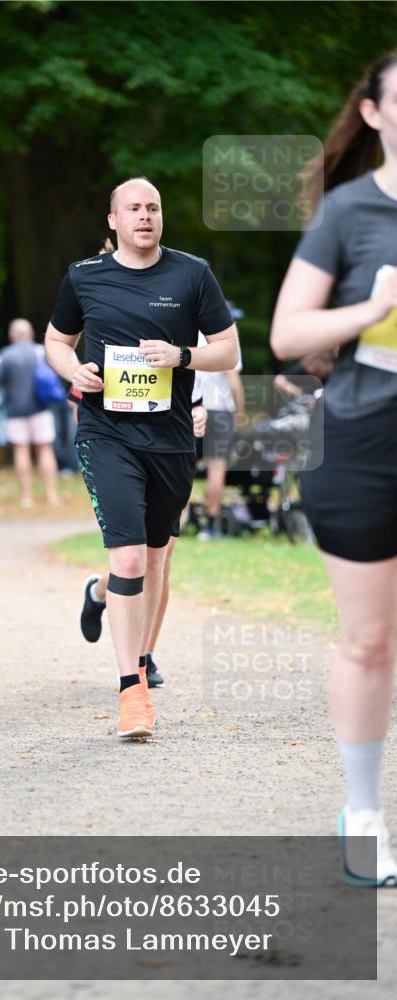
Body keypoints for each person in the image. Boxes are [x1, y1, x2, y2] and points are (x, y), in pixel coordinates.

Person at [45, 177, 239, 739]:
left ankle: (101, 597)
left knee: (156, 559)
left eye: (153, 207)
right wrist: (71, 370)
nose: (145, 216)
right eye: (133, 208)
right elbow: (57, 341)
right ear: (113, 221)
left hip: (172, 437)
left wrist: (183, 355)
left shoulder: (191, 273)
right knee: (129, 557)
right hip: (106, 433)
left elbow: (228, 349)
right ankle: (132, 690)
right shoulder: (85, 276)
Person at [271, 51, 397, 886]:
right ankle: (361, 814)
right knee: (370, 638)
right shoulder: (349, 212)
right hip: (365, 442)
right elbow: (286, 336)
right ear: (377, 115)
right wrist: (373, 308)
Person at [80, 399, 207, 687]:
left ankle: (145, 652)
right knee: (132, 559)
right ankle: (101, 595)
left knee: (156, 559)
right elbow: (80, 397)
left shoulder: (193, 353)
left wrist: (200, 412)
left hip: (171, 448)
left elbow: (204, 392)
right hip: (119, 447)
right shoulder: (112, 352)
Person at [0, 318, 61, 508]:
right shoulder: (41, 352)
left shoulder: (5, 356)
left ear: (11, 336)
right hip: (41, 409)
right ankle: (52, 495)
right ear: (31, 334)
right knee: (45, 450)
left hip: (15, 412)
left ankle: (27, 497)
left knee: (21, 451)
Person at [197, 339, 244, 540]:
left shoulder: (192, 332)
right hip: (220, 410)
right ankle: (210, 524)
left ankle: (173, 522)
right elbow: (233, 378)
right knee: (217, 467)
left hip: (195, 407)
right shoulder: (227, 339)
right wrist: (240, 409)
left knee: (183, 466)